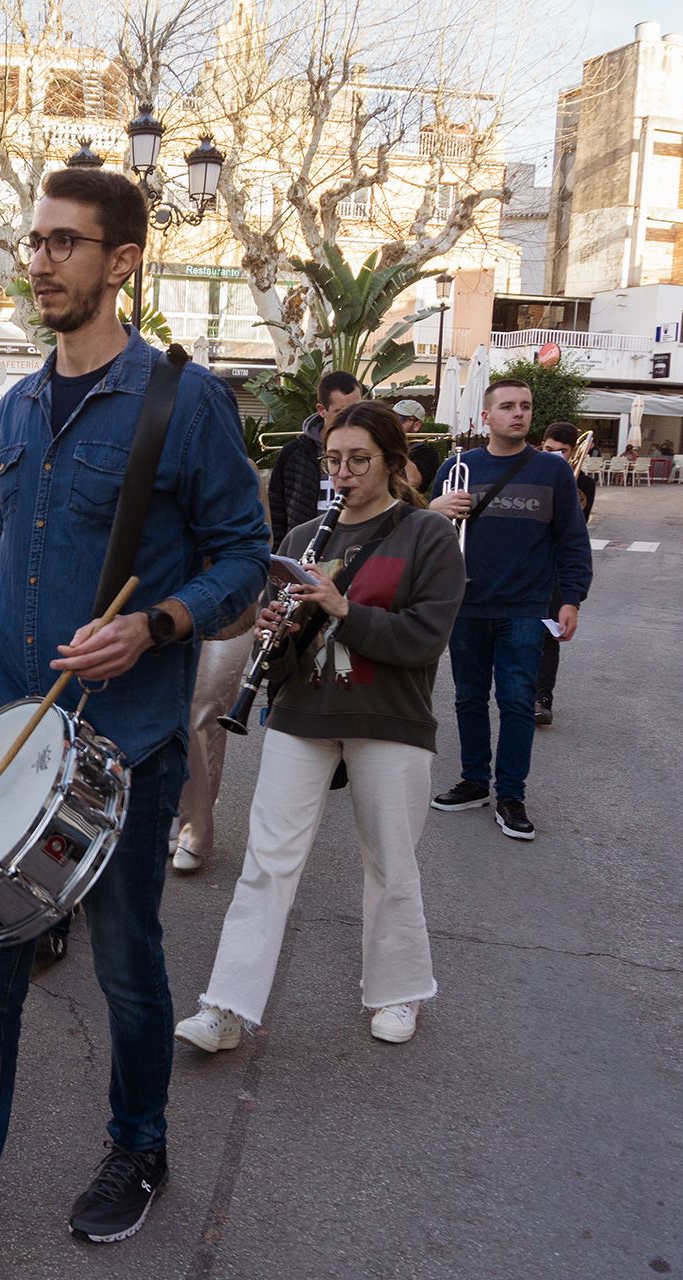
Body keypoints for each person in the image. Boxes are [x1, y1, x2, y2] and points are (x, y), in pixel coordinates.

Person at [0, 165, 269, 1280]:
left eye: (66, 242)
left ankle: (140, 1143)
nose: (40, 260)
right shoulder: (22, 402)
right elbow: (9, 536)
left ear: (122, 260)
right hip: (19, 733)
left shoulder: (182, 398)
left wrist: (159, 624)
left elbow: (243, 558)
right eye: (34, 241)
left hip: (127, 741)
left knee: (128, 963)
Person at [177, 400, 464, 1054]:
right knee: (266, 861)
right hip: (302, 711)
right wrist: (275, 632)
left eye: (359, 460)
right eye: (334, 460)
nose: (344, 474)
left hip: (389, 716)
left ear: (393, 461)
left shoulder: (426, 537)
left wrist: (341, 609)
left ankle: (397, 992)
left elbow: (424, 639)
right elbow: (274, 652)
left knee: (390, 862)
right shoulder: (302, 539)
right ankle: (226, 1006)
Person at [427, 378, 592, 840]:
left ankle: (511, 794)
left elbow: (572, 542)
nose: (517, 413)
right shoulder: (456, 466)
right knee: (467, 697)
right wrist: (434, 506)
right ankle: (475, 780)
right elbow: (422, 535)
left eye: (524, 406)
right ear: (486, 417)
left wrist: (571, 599)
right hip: (465, 602)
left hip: (524, 605)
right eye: (507, 406)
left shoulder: (553, 471)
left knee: (517, 702)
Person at [169, 611, 253, 872]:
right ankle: (173, 815)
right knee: (171, 705)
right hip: (177, 595)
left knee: (204, 708)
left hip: (239, 595)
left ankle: (194, 831)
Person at [534, 424, 592, 728]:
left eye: (562, 452)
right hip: (529, 563)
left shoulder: (584, 482)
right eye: (548, 450)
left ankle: (542, 698)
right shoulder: (534, 471)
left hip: (558, 566)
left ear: (575, 453)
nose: (554, 456)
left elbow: (577, 526)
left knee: (549, 634)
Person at [268, 370, 365, 547]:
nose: (352, 419)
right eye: (341, 412)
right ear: (322, 410)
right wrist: (282, 553)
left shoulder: (372, 449)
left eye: (357, 410)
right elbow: (276, 511)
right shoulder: (294, 453)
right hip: (305, 549)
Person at [394, 398, 441, 494]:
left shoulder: (427, 453)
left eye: (401, 419)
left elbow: (413, 482)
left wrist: (397, 447)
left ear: (417, 425)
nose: (394, 423)